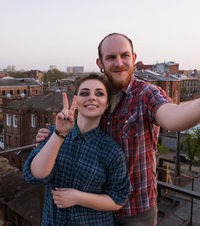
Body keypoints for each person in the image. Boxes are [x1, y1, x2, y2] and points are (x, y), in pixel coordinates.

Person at [36, 33, 200, 225]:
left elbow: (172, 116)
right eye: (111, 57)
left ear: (133, 57)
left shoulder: (146, 94)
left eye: (124, 55)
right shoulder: (95, 95)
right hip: (93, 209)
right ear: (100, 63)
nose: (119, 63)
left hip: (135, 212)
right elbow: (77, 131)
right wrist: (52, 137)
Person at [24, 73, 132, 225]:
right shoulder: (53, 134)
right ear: (76, 99)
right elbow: (35, 175)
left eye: (99, 94)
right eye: (84, 93)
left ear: (107, 103)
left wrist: (77, 197)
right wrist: (59, 134)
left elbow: (119, 198)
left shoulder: (111, 151)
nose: (92, 98)